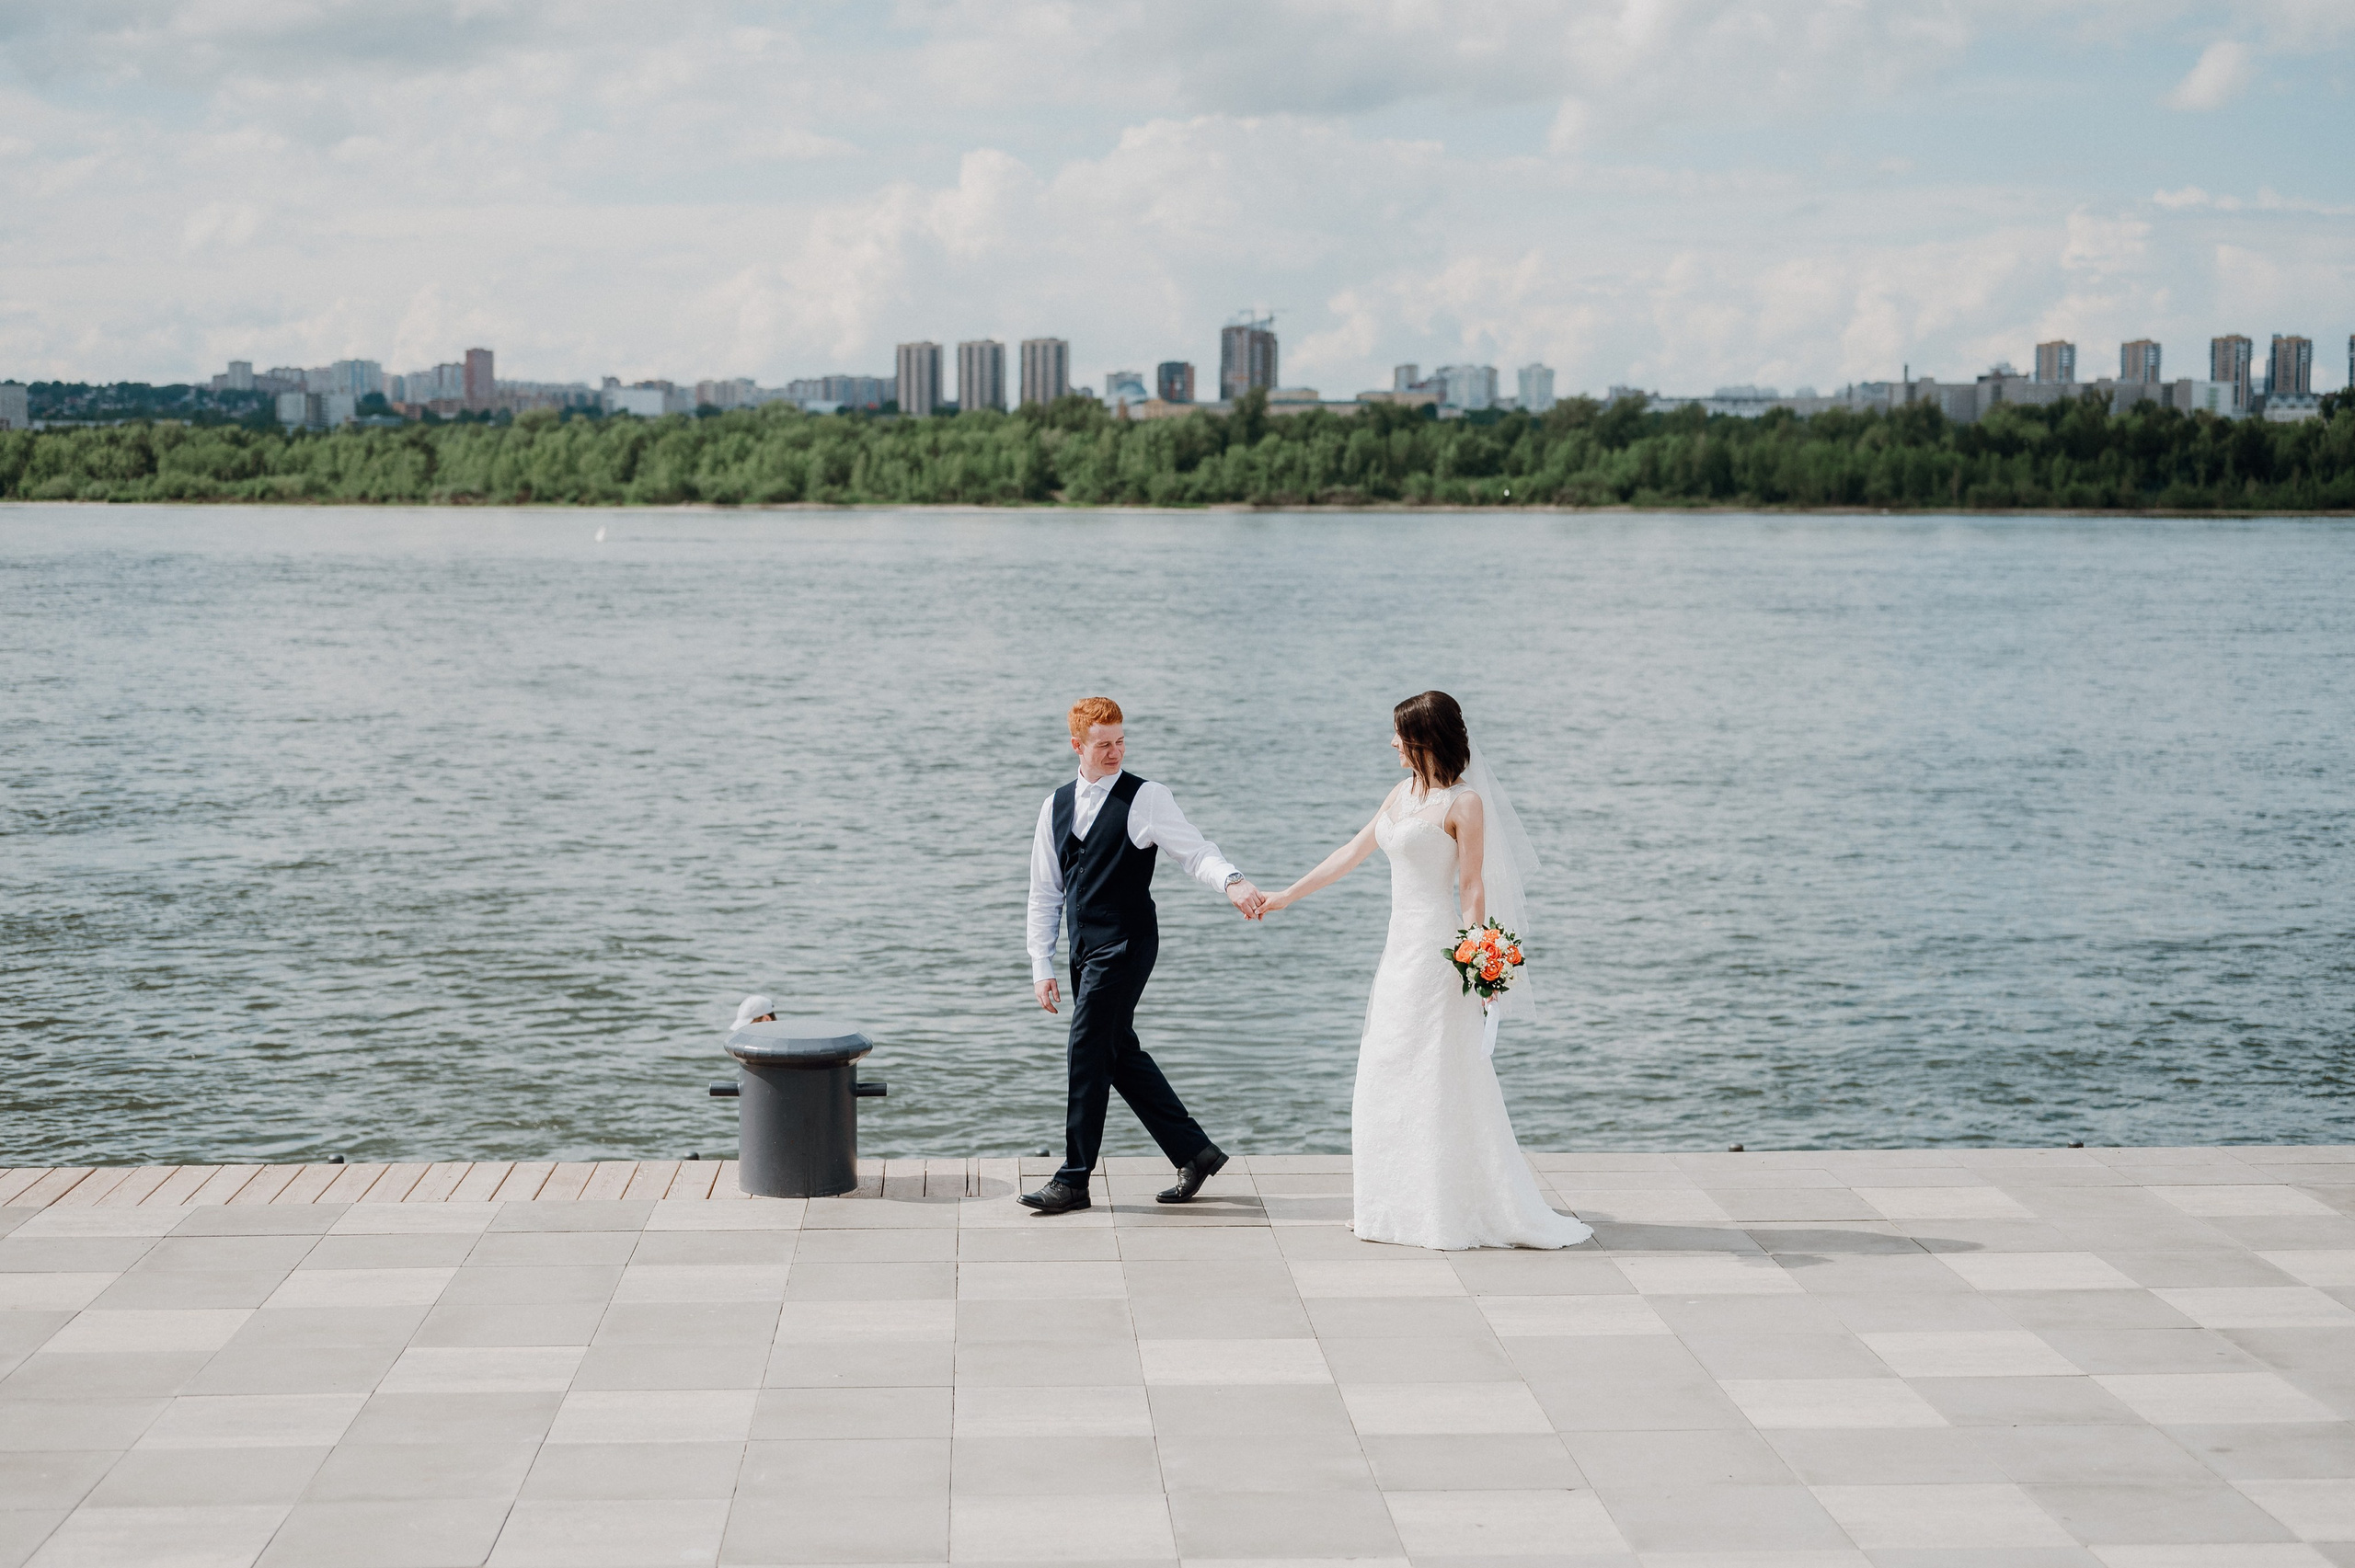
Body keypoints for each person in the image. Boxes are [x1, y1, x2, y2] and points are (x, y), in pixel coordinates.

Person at [1262, 691, 1591, 1251]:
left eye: (1398, 734)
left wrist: (1479, 961)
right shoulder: (1401, 793)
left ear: (1423, 738)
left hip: (1439, 957)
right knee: (1385, 1069)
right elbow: (1352, 850)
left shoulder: (1464, 805)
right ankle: (1390, 1204)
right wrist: (1286, 896)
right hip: (1398, 954)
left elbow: (1472, 886)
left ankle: (1443, 1208)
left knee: (1438, 1074)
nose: (1391, 743)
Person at [1021, 696, 1265, 1214]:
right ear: (1077, 746)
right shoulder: (1054, 805)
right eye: (1103, 744)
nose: (1115, 752)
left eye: (1121, 741)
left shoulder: (1146, 797)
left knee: (1086, 1049)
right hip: (1083, 950)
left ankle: (1074, 1178)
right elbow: (1045, 892)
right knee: (1117, 1054)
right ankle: (1193, 1152)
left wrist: (1232, 881)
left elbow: (1194, 850)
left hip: (1129, 944)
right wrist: (1041, 962)